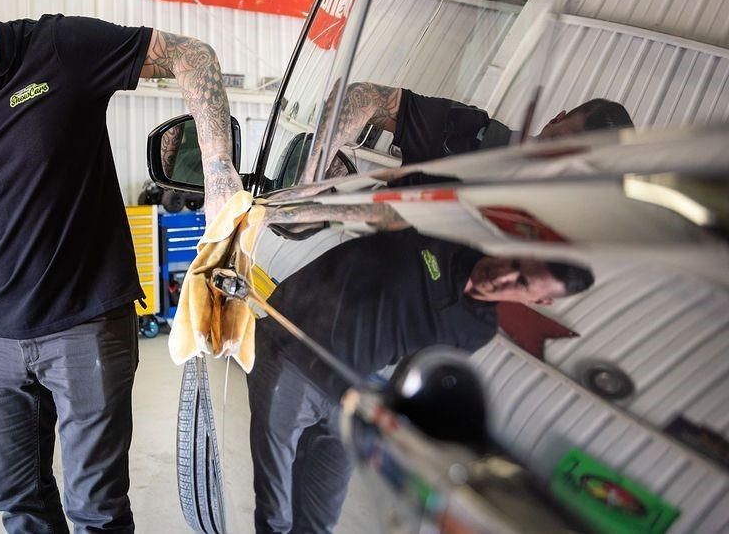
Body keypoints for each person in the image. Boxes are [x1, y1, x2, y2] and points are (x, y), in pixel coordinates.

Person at [0, 0, 242, 533]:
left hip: (89, 324)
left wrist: (220, 173)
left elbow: (191, 54)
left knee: (95, 511)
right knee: (18, 503)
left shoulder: (56, 47)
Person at [247, 224, 594, 533]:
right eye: (515, 262)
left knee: (321, 515)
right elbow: (380, 216)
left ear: (539, 299)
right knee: (275, 510)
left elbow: (418, 371)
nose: (504, 275)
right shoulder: (438, 241)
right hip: (294, 356)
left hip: (350, 391)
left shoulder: (478, 328)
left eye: (521, 282)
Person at [304, 83, 634, 180]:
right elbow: (361, 97)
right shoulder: (467, 133)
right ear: (555, 119)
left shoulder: (529, 242)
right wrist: (312, 175)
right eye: (559, 142)